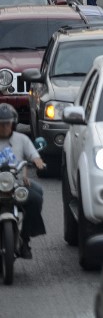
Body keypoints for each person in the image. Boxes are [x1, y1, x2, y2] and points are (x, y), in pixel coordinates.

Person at [0, 103, 46, 259]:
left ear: (13, 124)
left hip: (17, 184)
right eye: (1, 123)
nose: (4, 127)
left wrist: (37, 161)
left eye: (7, 123)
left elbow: (33, 155)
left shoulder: (22, 139)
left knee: (36, 197)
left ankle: (25, 240)